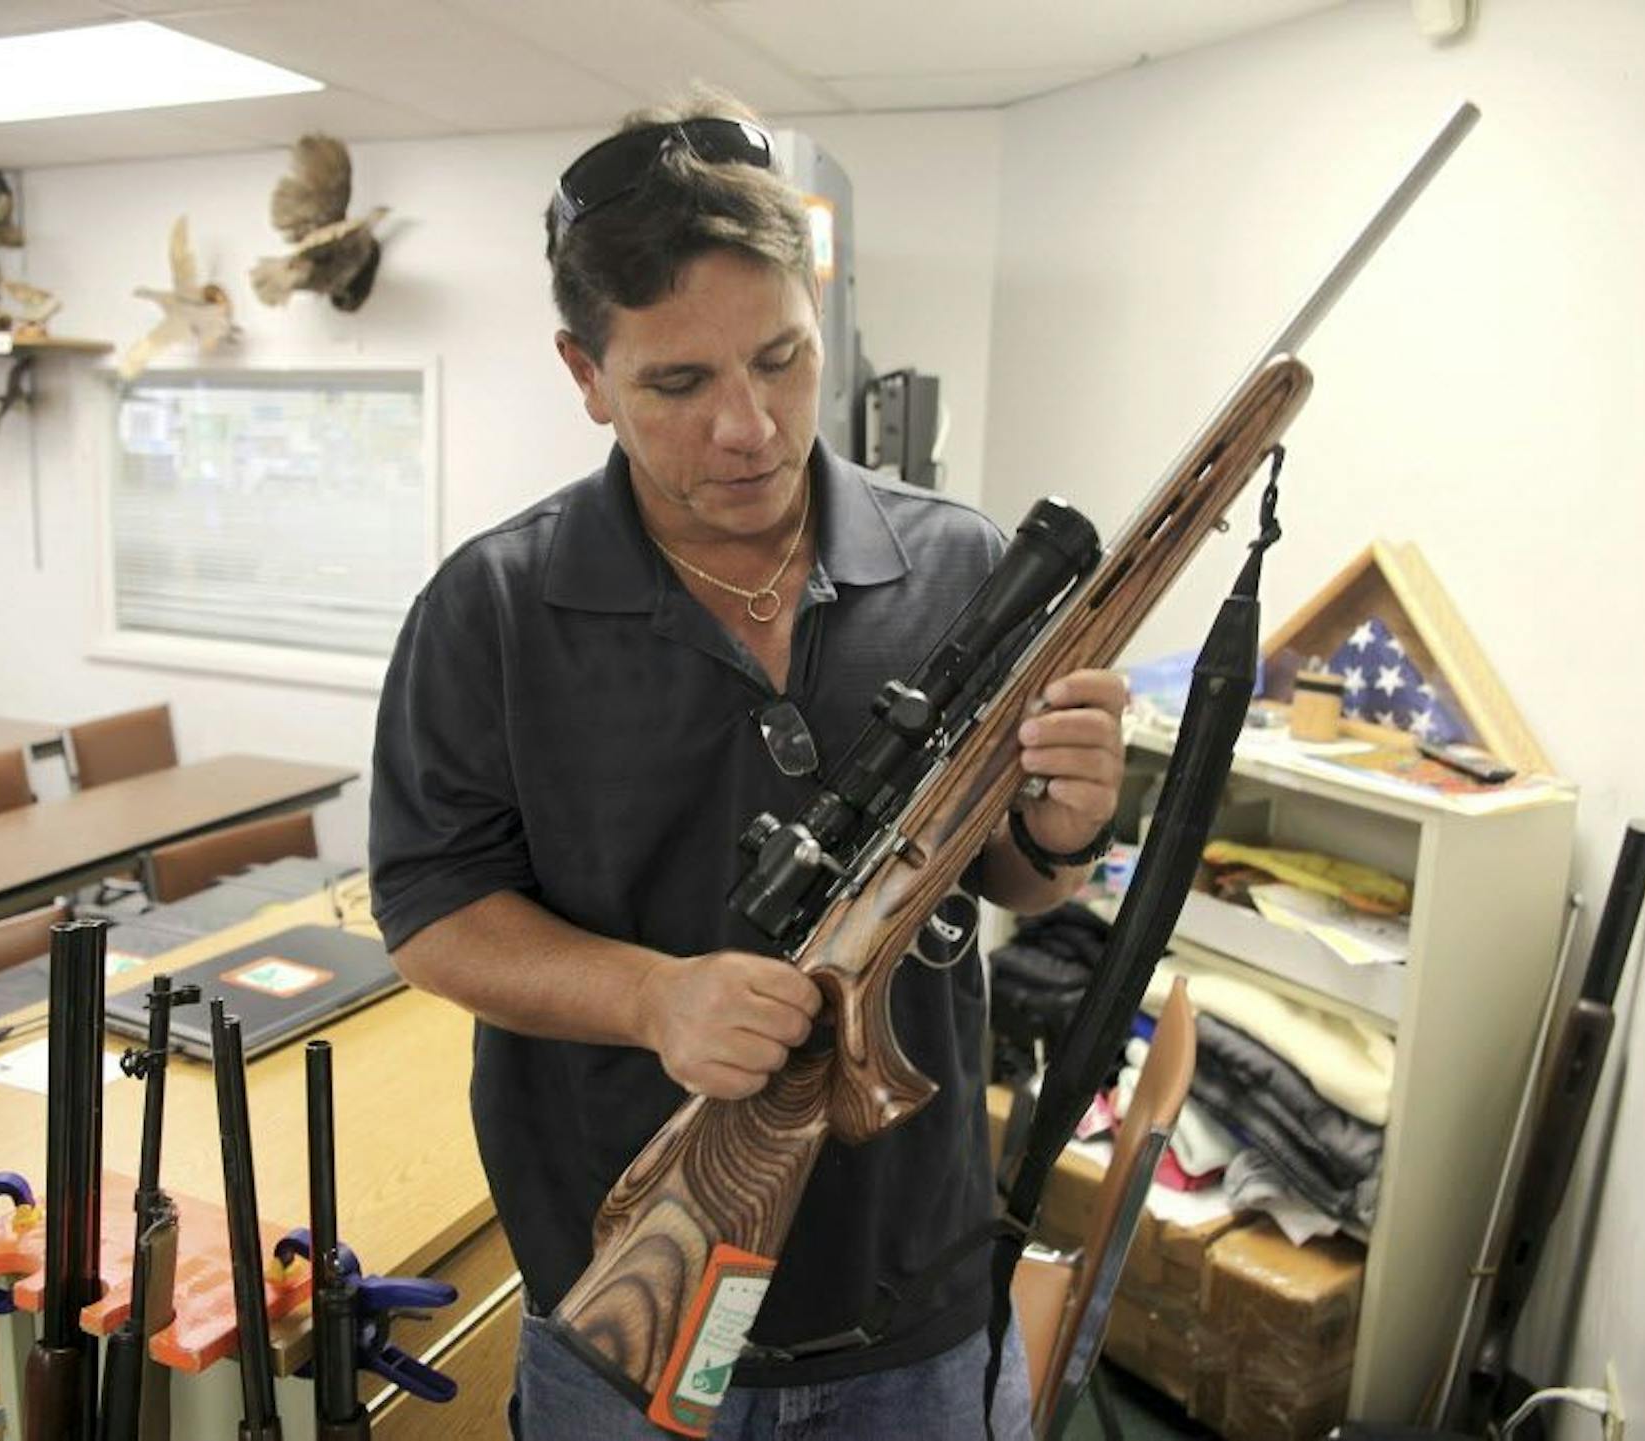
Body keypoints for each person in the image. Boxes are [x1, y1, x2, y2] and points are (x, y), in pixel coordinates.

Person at [368, 90, 1127, 1439]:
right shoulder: (486, 608)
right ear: (583, 371)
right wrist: (653, 997)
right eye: (677, 382)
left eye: (781, 359)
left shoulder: (968, 568)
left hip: (924, 1296)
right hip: (624, 1317)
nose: (750, 425)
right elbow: (431, 912)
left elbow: (1017, 881)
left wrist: (1065, 824)